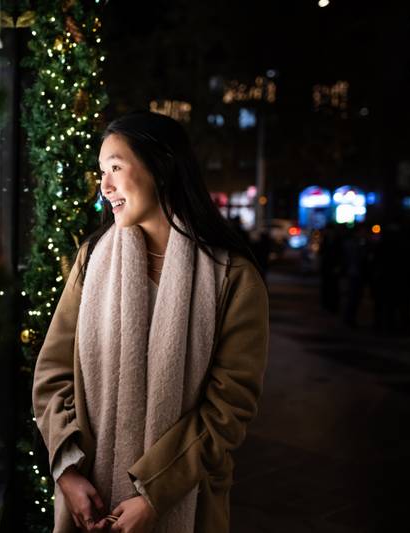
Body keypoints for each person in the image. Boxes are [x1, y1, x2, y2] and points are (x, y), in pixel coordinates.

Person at [32, 111, 270, 533]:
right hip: (90, 501)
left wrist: (154, 496)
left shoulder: (233, 277)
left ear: (160, 167)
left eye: (116, 168)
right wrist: (67, 472)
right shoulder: (92, 260)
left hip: (185, 504)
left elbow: (228, 408)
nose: (104, 187)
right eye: (101, 172)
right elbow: (52, 375)